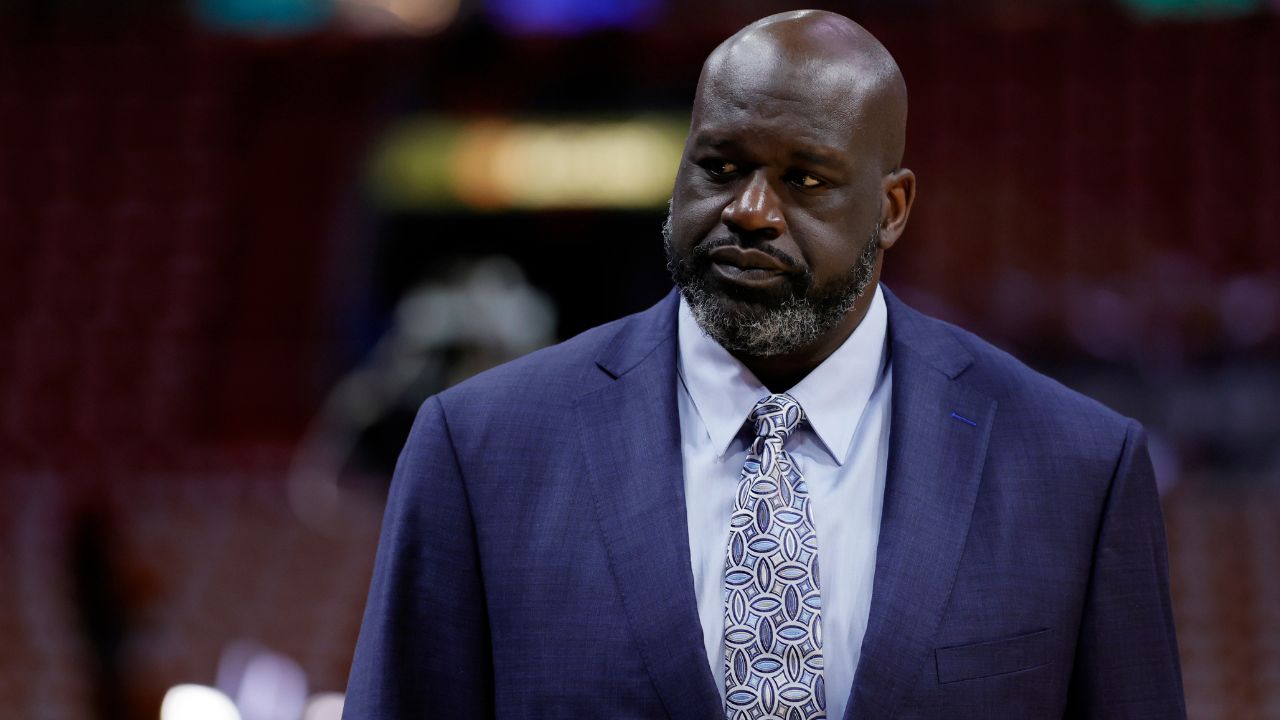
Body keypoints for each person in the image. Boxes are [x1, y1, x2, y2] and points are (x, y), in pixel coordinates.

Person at [342, 10, 1185, 719]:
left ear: (891, 209)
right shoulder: (480, 449)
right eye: (720, 166)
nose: (748, 210)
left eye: (805, 179)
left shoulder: (1075, 469)